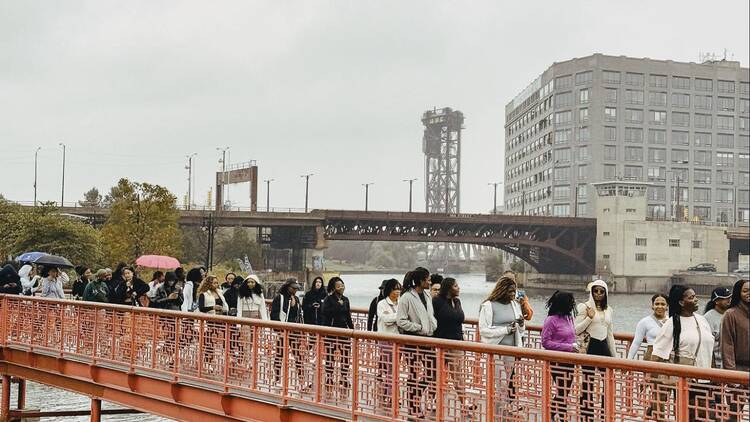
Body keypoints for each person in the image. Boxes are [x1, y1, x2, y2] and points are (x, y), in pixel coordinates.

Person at [651, 285, 714, 421]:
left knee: (707, 416)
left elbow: (710, 349)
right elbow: (657, 354)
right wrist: (657, 388)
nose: (696, 300)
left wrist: (716, 376)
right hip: (687, 380)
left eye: (695, 296)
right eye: (691, 298)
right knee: (689, 417)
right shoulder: (672, 323)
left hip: (707, 379)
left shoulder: (702, 320)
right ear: (681, 302)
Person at [479, 276, 525, 416]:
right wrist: (505, 330)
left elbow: (521, 330)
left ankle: (501, 411)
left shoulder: (515, 305)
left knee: (505, 384)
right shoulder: (488, 305)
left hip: (510, 350)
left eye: (514, 291)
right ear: (502, 290)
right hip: (495, 350)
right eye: (510, 291)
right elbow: (483, 330)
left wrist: (521, 324)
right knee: (502, 384)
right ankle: (496, 413)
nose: (513, 294)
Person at [396, 267, 436, 418]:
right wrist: (418, 328)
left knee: (433, 371)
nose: (430, 282)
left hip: (427, 339)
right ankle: (413, 406)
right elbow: (400, 321)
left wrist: (432, 325)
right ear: (421, 280)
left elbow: (430, 315)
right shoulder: (406, 297)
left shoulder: (426, 295)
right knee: (413, 373)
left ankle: (415, 395)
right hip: (412, 340)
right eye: (428, 279)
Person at [575, 279, 615, 421]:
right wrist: (589, 319)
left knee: (608, 382)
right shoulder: (583, 307)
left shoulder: (608, 309)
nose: (598, 294)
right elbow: (575, 329)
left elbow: (610, 334)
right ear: (591, 292)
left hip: (604, 346)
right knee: (587, 382)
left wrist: (615, 357)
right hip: (590, 346)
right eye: (595, 291)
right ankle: (586, 415)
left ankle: (606, 412)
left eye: (601, 291)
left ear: (606, 293)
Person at [432, 277, 472, 412]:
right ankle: (432, 400)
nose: (458, 288)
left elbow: (459, 319)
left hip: (456, 343)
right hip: (440, 343)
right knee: (435, 374)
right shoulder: (437, 301)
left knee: (458, 375)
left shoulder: (457, 301)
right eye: (455, 286)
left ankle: (464, 403)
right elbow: (439, 318)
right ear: (448, 288)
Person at [541, 291, 578, 422]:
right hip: (557, 360)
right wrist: (569, 347)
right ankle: (561, 416)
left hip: (570, 359)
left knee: (565, 389)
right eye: (570, 303)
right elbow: (545, 342)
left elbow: (571, 336)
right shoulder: (551, 320)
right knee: (562, 390)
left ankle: (553, 412)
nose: (572, 305)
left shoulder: (569, 318)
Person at [270, 279, 307, 389]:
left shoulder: (295, 298)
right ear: (287, 287)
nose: (295, 290)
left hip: (295, 331)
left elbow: (299, 315)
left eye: (296, 288)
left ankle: (302, 382)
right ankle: (276, 380)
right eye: (293, 288)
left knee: (298, 357)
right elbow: (274, 316)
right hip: (283, 331)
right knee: (279, 355)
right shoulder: (279, 298)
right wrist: (278, 331)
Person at [322, 277, 354, 394]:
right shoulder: (328, 299)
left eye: (342, 285)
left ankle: (344, 377)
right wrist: (337, 305)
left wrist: (352, 330)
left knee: (345, 356)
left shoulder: (346, 300)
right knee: (330, 356)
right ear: (334, 288)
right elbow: (325, 312)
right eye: (338, 286)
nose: (341, 287)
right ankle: (329, 377)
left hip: (343, 332)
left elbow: (348, 315)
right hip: (331, 332)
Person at [376, 278, 401, 407]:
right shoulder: (382, 304)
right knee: (391, 368)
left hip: (398, 340)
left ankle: (388, 392)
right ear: (389, 290)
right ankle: (392, 395)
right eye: (395, 289)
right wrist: (399, 317)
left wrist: (396, 317)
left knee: (394, 368)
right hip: (386, 340)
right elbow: (385, 319)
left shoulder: (400, 303)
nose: (397, 292)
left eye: (399, 289)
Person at [627, 294, 669, 360]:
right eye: (657, 304)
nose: (660, 306)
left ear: (667, 307)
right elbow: (636, 343)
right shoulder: (644, 322)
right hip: (651, 358)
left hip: (668, 359)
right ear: (652, 306)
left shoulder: (672, 322)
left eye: (663, 304)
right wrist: (628, 361)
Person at [721, 279, 749, 372]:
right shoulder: (730, 314)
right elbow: (727, 345)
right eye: (745, 291)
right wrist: (731, 376)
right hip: (739, 369)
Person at [703, 286, 732, 368]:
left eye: (730, 297)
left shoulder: (731, 315)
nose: (729, 300)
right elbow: (707, 344)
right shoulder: (707, 318)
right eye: (725, 298)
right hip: (716, 363)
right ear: (716, 301)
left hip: (731, 362)